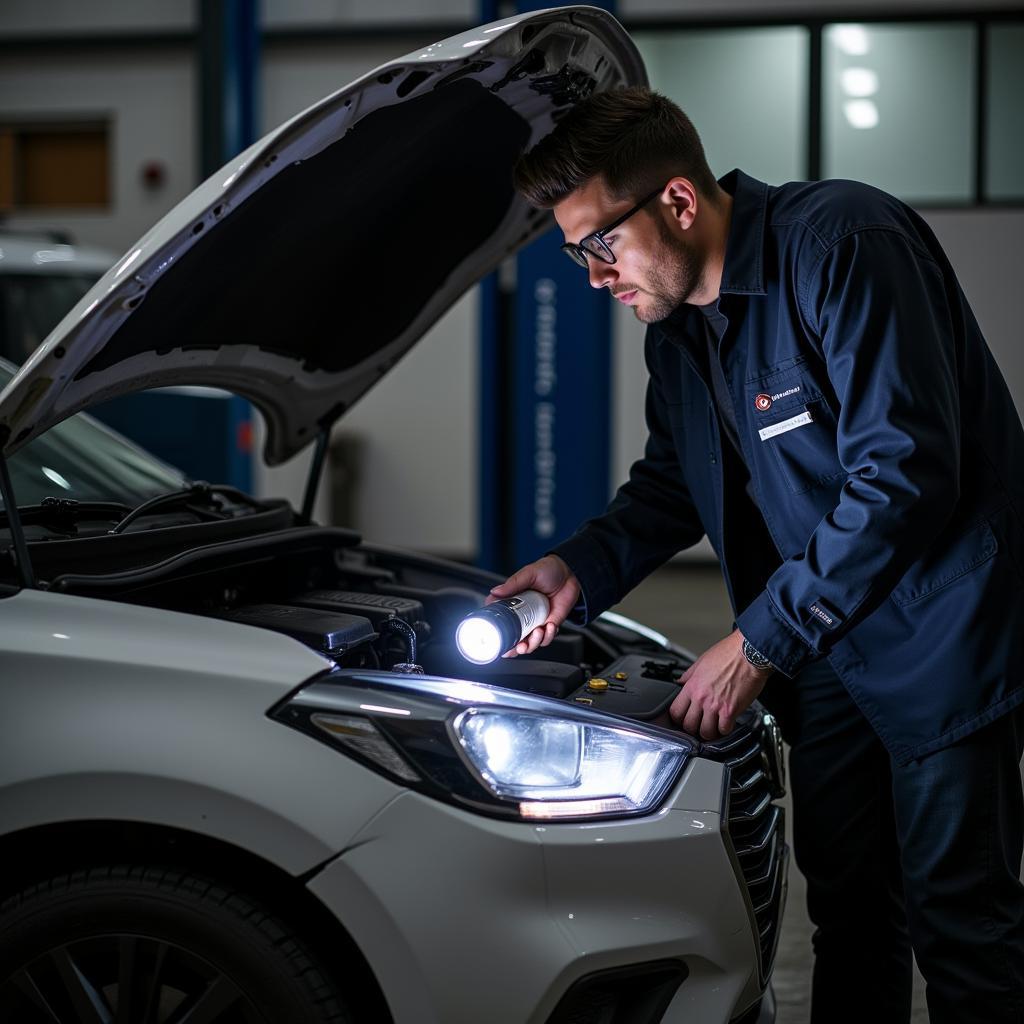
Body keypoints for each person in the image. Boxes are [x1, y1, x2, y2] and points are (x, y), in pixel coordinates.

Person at [489, 87, 1024, 1024]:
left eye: (599, 245)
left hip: (940, 636)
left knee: (963, 925)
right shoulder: (680, 336)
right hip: (829, 651)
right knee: (851, 915)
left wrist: (758, 640)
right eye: (575, 253)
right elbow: (669, 487)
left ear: (679, 202)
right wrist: (578, 567)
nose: (591, 276)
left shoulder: (842, 245)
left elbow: (905, 475)